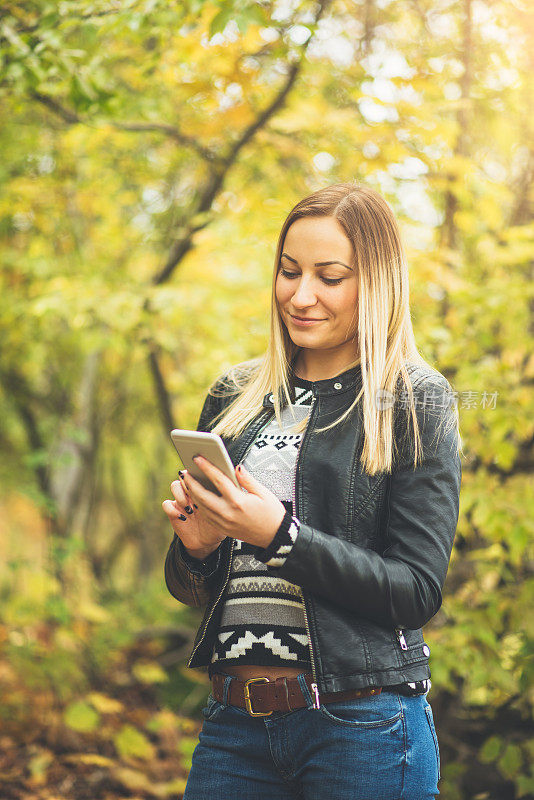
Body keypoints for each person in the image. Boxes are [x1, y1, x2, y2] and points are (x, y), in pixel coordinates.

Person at [162, 181, 462, 799]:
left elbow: (416, 591)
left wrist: (279, 535)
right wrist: (197, 549)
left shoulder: (411, 399)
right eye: (289, 271)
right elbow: (195, 591)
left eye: (330, 277)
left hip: (363, 729)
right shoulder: (235, 396)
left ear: (375, 282)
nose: (301, 296)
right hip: (233, 726)